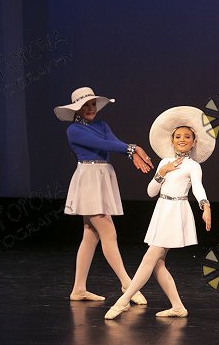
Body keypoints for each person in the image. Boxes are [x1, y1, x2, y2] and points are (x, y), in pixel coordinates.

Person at [105, 106, 215, 319]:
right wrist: (161, 172)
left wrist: (206, 205)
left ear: (194, 142)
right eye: (178, 136)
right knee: (157, 265)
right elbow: (151, 191)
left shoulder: (193, 166)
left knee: (150, 257)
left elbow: (198, 187)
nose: (182, 140)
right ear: (172, 141)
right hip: (162, 210)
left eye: (187, 136)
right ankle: (178, 307)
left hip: (176, 211)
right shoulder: (164, 163)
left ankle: (124, 300)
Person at [55, 86, 153, 304]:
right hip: (89, 179)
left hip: (102, 176)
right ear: (77, 108)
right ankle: (127, 283)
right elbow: (102, 144)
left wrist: (132, 152)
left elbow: (114, 142)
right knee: (108, 232)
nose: (91, 108)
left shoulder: (102, 125)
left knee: (90, 234)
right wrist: (133, 148)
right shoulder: (74, 130)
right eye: (86, 105)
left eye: (93, 104)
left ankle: (78, 289)